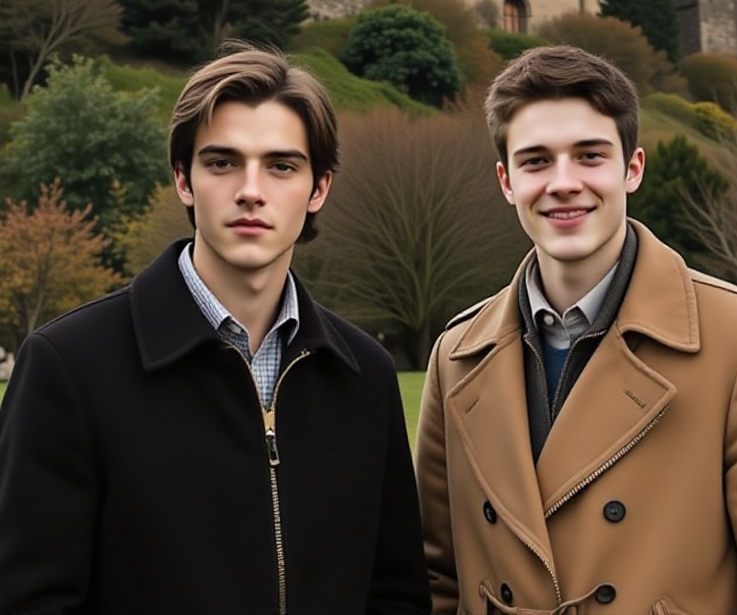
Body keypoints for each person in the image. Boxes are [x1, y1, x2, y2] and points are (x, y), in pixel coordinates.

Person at [0, 46, 430, 615]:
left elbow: (396, 593)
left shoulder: (365, 374)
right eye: (222, 162)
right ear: (183, 179)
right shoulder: (69, 366)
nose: (251, 190)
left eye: (281, 166)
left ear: (319, 188)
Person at [416, 44, 737, 614]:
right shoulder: (455, 354)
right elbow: (433, 580)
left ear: (632, 170)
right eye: (535, 161)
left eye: (589, 156)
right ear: (506, 182)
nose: (563, 183)